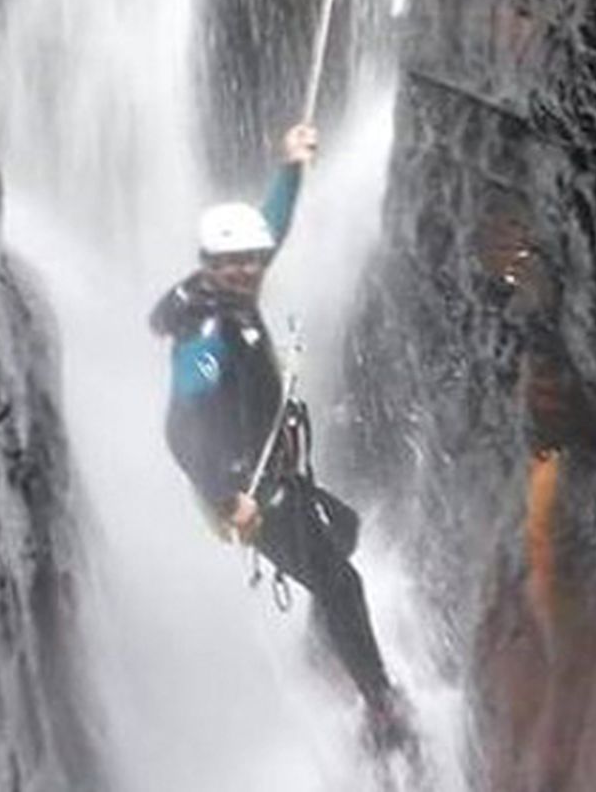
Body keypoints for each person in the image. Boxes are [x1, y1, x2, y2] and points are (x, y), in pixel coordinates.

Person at [149, 124, 412, 750]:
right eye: (232, 263)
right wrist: (226, 497)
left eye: (249, 261)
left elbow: (269, 228)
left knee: (342, 535)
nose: (246, 271)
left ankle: (328, 651)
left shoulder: (229, 292)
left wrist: (291, 168)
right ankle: (381, 705)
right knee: (342, 581)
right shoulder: (207, 335)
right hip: (251, 493)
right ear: (209, 267)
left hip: (276, 473)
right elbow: (180, 428)